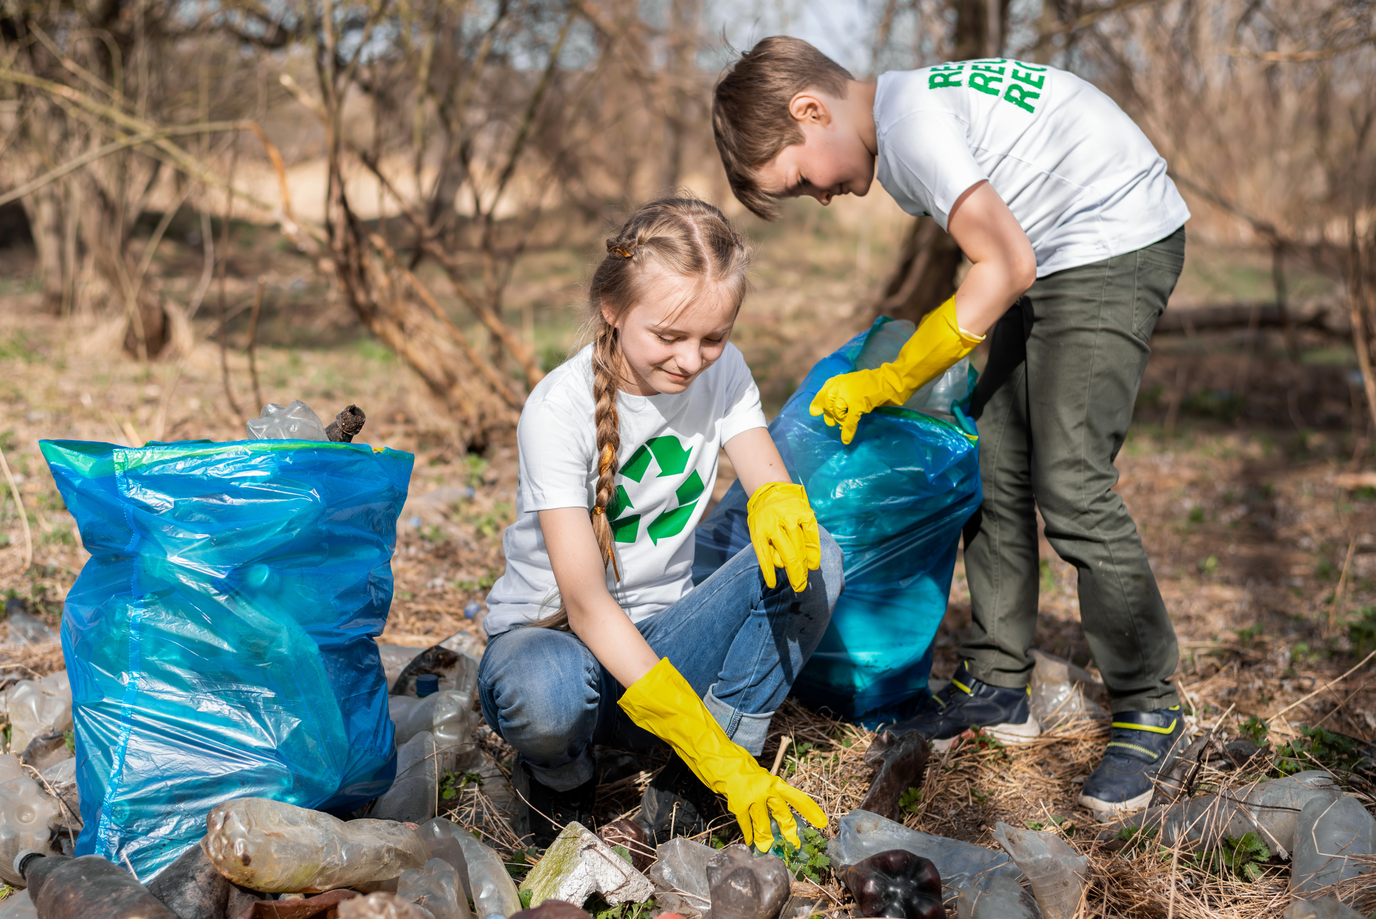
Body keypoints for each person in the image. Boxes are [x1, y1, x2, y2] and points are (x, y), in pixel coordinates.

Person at [711, 37, 1190, 817]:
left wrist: (895, 377)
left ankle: (1150, 703)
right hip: (1054, 243)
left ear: (812, 111)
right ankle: (1001, 682)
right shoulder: (904, 119)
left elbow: (1004, 264)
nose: (821, 197)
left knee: (1070, 480)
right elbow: (1004, 256)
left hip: (1110, 239)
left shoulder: (907, 124)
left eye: (802, 180)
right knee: (991, 460)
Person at [478, 196, 844, 848]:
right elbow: (587, 608)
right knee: (547, 693)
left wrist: (779, 499)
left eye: (714, 336)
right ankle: (563, 777)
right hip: (558, 646)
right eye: (669, 336)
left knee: (818, 558)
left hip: (667, 639)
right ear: (612, 309)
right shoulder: (557, 411)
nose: (691, 358)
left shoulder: (723, 370)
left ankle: (696, 783)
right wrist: (704, 739)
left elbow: (768, 480)